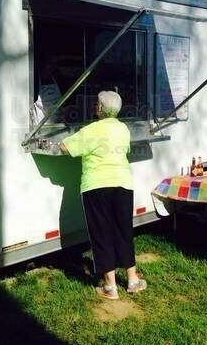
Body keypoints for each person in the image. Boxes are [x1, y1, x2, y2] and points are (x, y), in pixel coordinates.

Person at [59, 91, 146, 300]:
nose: (94, 107)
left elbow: (64, 147)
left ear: (99, 108)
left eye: (96, 104)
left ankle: (110, 287)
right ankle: (133, 280)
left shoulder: (91, 130)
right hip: (123, 184)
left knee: (102, 233)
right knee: (124, 231)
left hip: (96, 186)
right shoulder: (123, 129)